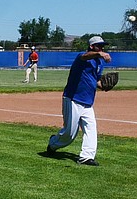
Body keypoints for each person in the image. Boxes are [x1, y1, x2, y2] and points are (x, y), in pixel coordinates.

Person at [47, 36, 112, 166]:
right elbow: (86, 56)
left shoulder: (99, 63)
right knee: (69, 134)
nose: (102, 48)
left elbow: (96, 81)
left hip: (88, 102)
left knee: (91, 128)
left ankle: (86, 157)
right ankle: (53, 143)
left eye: (103, 46)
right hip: (73, 99)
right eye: (99, 46)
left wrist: (104, 86)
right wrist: (99, 53)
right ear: (92, 46)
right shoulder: (82, 57)